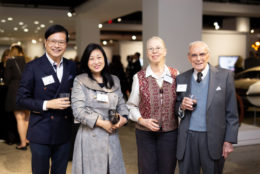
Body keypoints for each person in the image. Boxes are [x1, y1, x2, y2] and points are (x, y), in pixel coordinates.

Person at [16, 24, 76, 174]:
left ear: (66, 44)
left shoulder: (72, 66)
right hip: (41, 131)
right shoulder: (33, 67)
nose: (57, 45)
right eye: (53, 41)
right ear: (45, 42)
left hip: (64, 131)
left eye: (61, 42)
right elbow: (21, 99)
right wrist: (47, 104)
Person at [175, 41, 239, 174]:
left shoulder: (224, 76)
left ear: (208, 55)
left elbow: (232, 112)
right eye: (194, 55)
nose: (198, 59)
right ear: (189, 57)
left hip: (213, 139)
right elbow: (176, 106)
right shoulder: (181, 78)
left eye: (202, 54)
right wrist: (181, 106)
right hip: (187, 140)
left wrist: (229, 140)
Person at [71, 43, 128, 174]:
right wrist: (102, 123)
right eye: (91, 58)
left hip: (112, 137)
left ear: (104, 59)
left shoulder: (114, 80)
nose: (96, 61)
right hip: (89, 138)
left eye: (99, 57)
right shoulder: (80, 81)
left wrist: (123, 120)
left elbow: (122, 106)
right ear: (86, 61)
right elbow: (78, 111)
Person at [127, 36, 179, 174]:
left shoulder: (175, 74)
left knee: (167, 170)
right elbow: (131, 105)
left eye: (158, 48)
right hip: (145, 134)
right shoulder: (139, 77)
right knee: (147, 170)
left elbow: (179, 103)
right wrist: (142, 120)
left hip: (170, 133)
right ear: (147, 52)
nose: (154, 51)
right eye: (151, 48)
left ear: (165, 51)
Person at [5, 45, 30, 150]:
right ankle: (27, 139)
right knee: (27, 116)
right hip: (28, 90)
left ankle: (23, 143)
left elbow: (7, 79)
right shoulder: (28, 60)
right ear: (21, 51)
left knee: (19, 118)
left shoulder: (10, 61)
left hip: (15, 90)